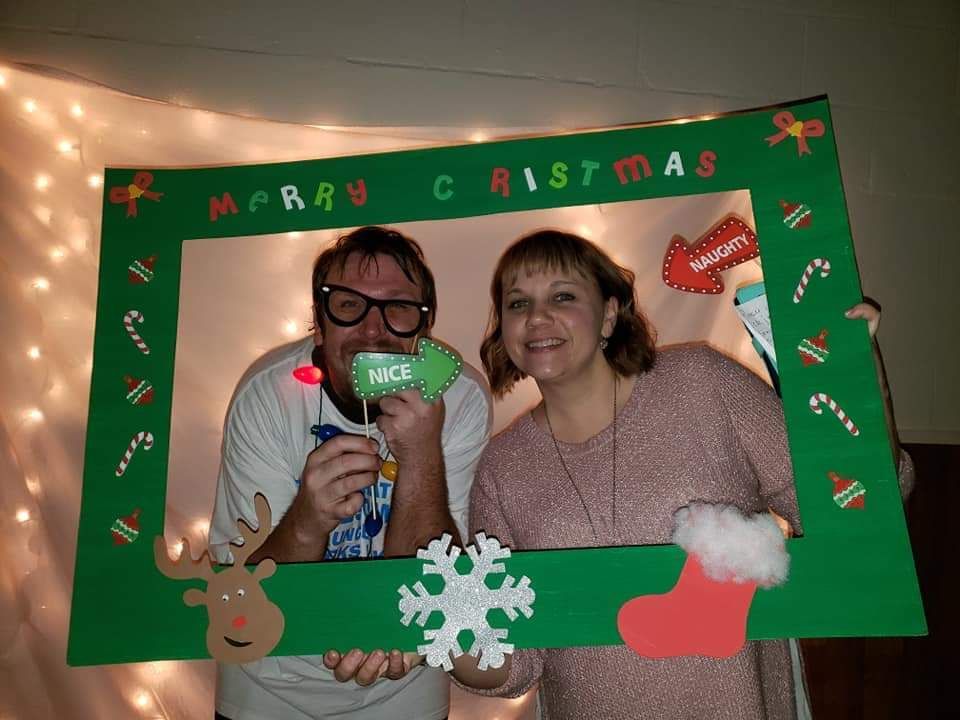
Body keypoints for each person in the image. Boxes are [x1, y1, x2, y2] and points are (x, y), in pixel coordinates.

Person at [452, 229, 912, 719]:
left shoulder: (702, 383)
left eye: (562, 296)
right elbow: (515, 662)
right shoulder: (502, 468)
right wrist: (446, 629)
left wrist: (863, 380)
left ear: (609, 312)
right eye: (517, 303)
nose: (537, 317)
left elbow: (853, 509)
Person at [209, 226, 492, 720]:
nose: (372, 330)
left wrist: (422, 455)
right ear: (319, 322)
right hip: (270, 683)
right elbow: (244, 593)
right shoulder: (266, 395)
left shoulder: (461, 397)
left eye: (398, 308)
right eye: (348, 304)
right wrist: (308, 518)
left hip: (404, 679)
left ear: (422, 330)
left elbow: (444, 576)